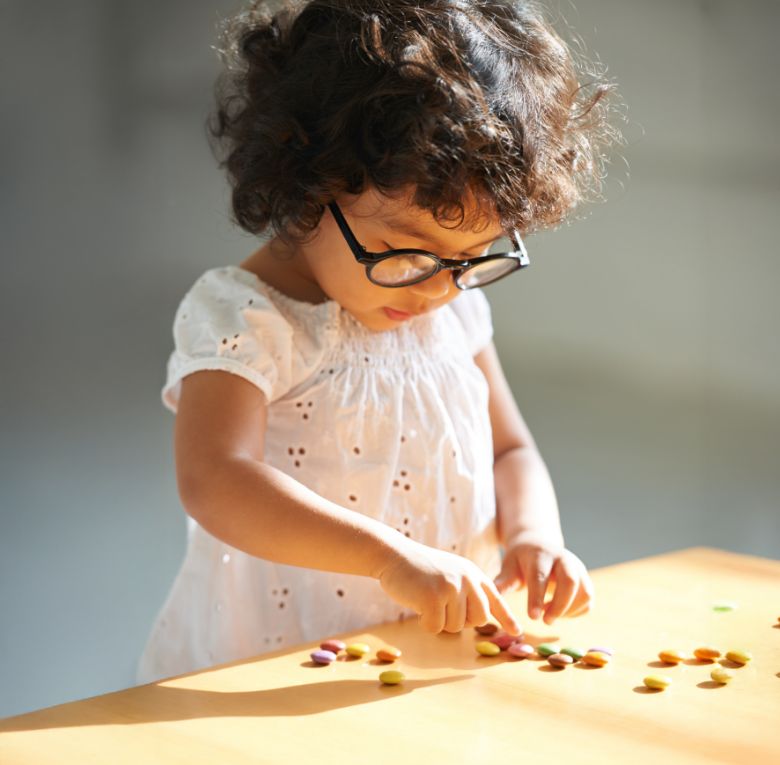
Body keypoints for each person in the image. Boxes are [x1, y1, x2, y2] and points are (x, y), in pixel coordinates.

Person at [136, 0, 620, 685]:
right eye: (405, 253)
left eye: (472, 257)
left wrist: (535, 534)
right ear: (308, 181)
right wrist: (388, 556)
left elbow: (512, 448)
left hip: (427, 641)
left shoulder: (451, 307)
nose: (436, 289)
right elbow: (216, 480)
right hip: (283, 655)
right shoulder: (246, 317)